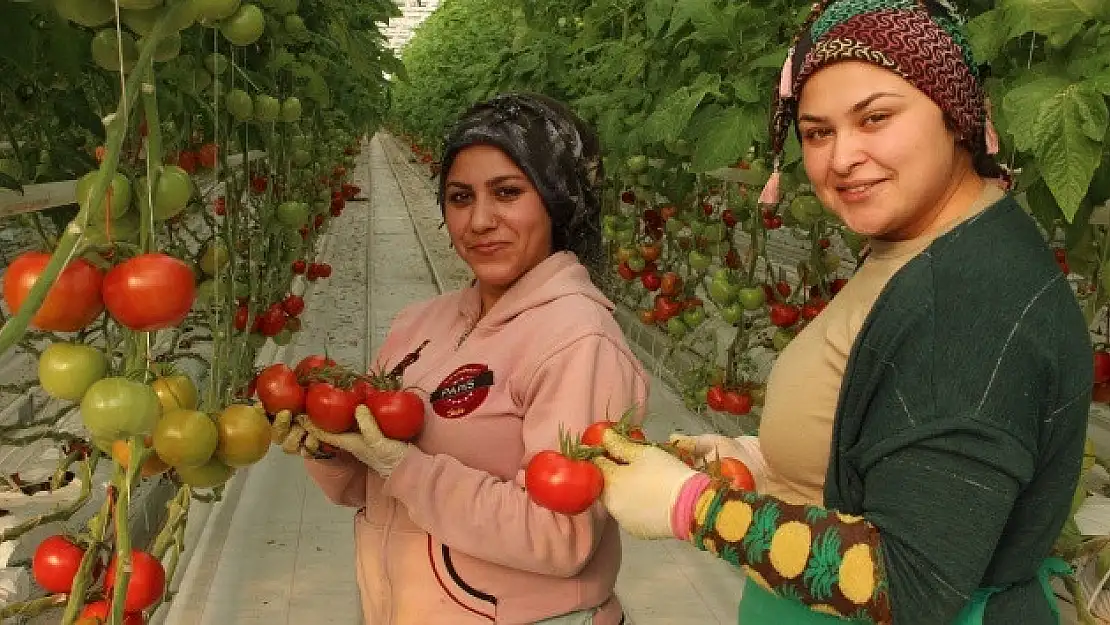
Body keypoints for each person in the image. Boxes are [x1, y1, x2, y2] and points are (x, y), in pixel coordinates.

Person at [591, 2, 1093, 624]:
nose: (841, 156)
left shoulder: (967, 302)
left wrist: (696, 508)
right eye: (817, 131)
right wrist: (764, 461)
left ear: (955, 114)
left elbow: (908, 582)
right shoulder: (920, 244)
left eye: (875, 117)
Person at [270, 93, 648, 625]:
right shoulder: (419, 325)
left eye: (508, 193)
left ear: (557, 200)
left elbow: (561, 537)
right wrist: (334, 451)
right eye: (460, 197)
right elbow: (377, 490)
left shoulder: (578, 342)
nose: (479, 220)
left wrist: (404, 466)